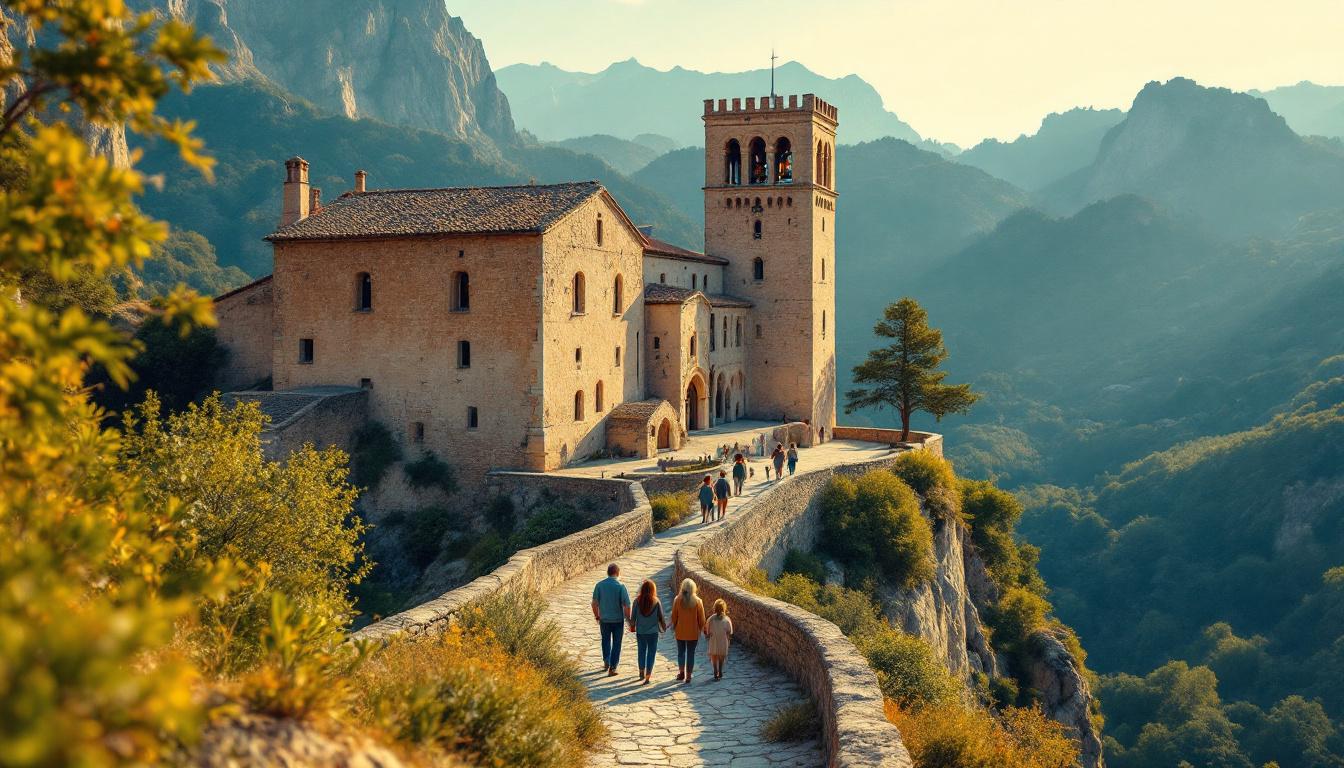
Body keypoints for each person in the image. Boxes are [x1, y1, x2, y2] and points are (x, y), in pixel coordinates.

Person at [591, 563, 631, 676]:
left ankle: (606, 661)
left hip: (604, 619)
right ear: (618, 573)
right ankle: (613, 668)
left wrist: (597, 616)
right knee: (617, 643)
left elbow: (594, 604)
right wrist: (629, 619)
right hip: (618, 620)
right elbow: (627, 605)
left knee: (605, 640)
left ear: (608, 573)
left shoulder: (599, 585)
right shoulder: (621, 586)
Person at [628, 579, 666, 685]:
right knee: (651, 653)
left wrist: (631, 625)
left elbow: (633, 618)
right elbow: (661, 617)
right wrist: (664, 627)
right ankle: (648, 676)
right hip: (653, 632)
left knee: (641, 651)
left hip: (641, 632)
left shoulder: (637, 601)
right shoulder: (656, 601)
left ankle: (641, 672)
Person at [670, 578, 706, 683]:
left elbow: (674, 617)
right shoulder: (698, 601)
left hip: (680, 632)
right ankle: (689, 676)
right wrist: (701, 629)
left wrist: (674, 626)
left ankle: (681, 673)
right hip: (693, 633)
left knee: (681, 653)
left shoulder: (677, 600)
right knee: (691, 653)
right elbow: (702, 619)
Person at [705, 598, 734, 680]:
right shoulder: (727, 619)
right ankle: (720, 670)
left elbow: (708, 631)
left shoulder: (711, 619)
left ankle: (715, 670)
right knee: (721, 656)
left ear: (715, 608)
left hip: (713, 640)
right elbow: (730, 631)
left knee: (714, 656)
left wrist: (709, 635)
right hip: (723, 641)